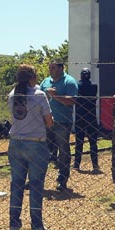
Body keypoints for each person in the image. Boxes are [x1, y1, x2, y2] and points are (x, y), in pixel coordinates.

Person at [7, 64, 58, 230]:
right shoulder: (39, 95)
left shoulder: (12, 95)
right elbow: (49, 122)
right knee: (36, 187)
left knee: (17, 186)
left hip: (15, 142)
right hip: (36, 143)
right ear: (31, 78)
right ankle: (37, 229)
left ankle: (14, 227)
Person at [39, 58, 78, 191]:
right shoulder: (45, 81)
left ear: (61, 68)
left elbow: (73, 101)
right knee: (41, 150)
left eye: (53, 68)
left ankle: (62, 180)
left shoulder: (69, 82)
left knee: (63, 151)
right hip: (45, 121)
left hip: (62, 122)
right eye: (50, 68)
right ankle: (37, 179)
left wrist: (56, 96)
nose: (51, 70)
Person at [73, 68, 100, 173]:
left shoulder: (77, 85)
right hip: (91, 116)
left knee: (79, 142)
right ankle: (95, 165)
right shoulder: (94, 86)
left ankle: (76, 164)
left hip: (80, 116)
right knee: (93, 142)